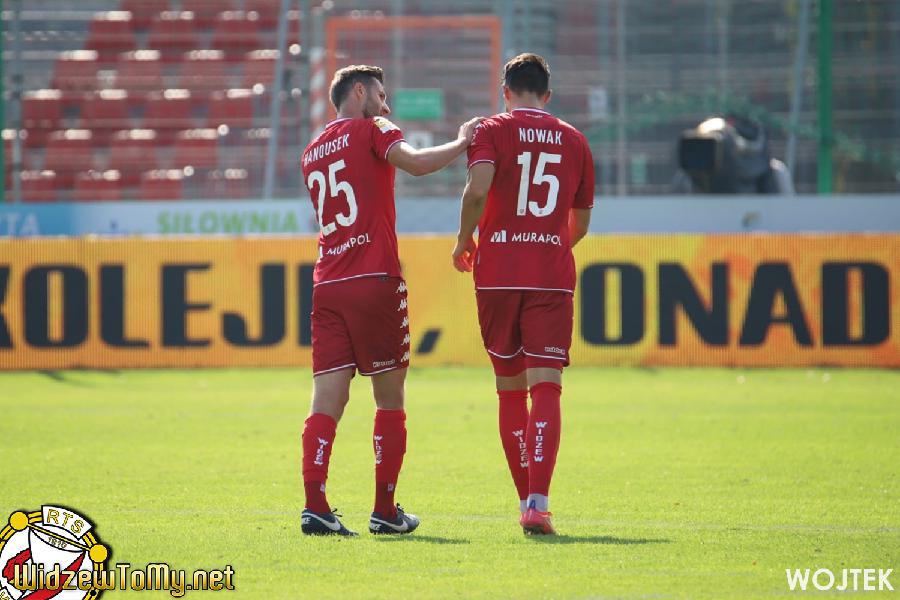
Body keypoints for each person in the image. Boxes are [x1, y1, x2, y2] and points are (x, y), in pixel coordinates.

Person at [300, 64, 481, 536]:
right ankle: (384, 510)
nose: (387, 104)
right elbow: (416, 163)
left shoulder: (311, 151)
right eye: (381, 95)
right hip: (374, 277)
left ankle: (315, 505)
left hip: (328, 282)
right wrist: (462, 141)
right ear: (359, 92)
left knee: (326, 399)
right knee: (389, 398)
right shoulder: (373, 128)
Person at [452, 53, 595, 535]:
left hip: (496, 274)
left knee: (509, 389)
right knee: (546, 387)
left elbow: (477, 191)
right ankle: (538, 503)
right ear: (547, 96)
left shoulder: (491, 129)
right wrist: (546, 246)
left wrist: (463, 239)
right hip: (550, 277)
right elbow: (581, 223)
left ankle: (522, 501)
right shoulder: (574, 140)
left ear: (505, 91)